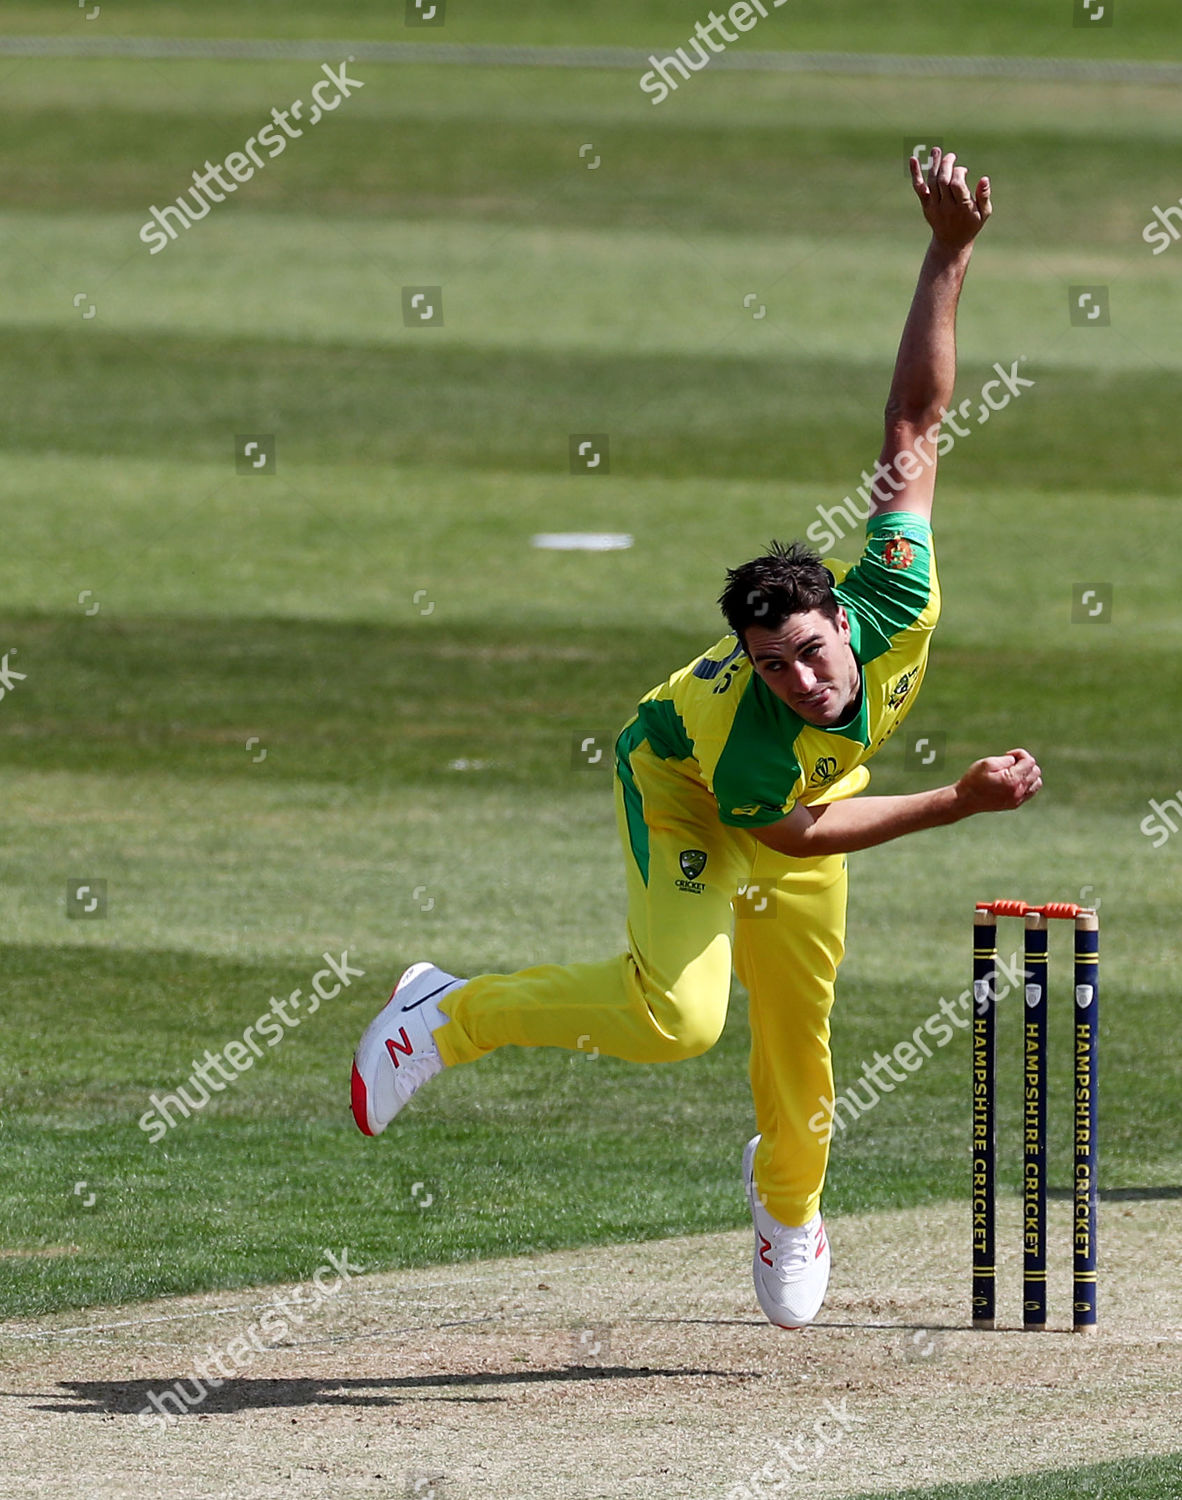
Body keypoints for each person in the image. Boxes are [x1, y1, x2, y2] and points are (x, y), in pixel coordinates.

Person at [350, 149, 1042, 1328]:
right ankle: (447, 1014)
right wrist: (955, 805)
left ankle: (788, 1211)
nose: (803, 678)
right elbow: (800, 831)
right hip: (688, 791)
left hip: (813, 799)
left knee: (800, 1035)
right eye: (774, 666)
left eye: (812, 652)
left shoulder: (896, 592)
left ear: (842, 615)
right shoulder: (751, 740)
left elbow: (915, 418)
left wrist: (949, 251)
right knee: (681, 1023)